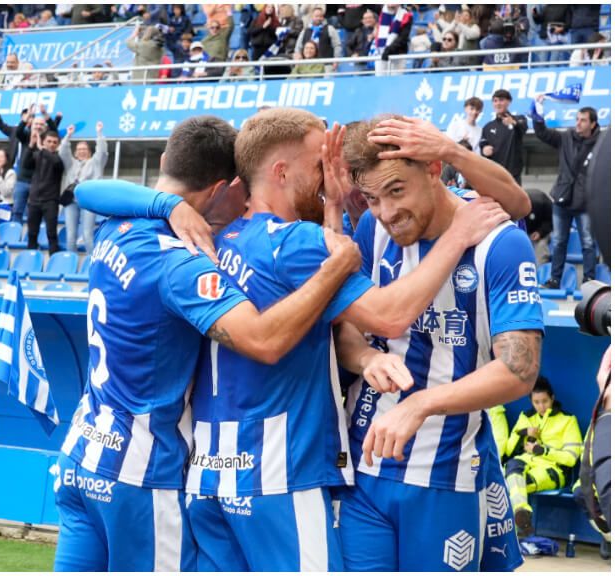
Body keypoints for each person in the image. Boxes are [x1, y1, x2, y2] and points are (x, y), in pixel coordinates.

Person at [77, 109, 522, 572]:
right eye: (319, 165)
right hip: (280, 478)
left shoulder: (207, 237)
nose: (330, 176)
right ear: (282, 172)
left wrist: (328, 209)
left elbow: (89, 192)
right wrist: (459, 235)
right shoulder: (299, 244)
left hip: (207, 480)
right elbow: (388, 316)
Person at [55, 115, 366, 572]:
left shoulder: (115, 224)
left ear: (164, 161)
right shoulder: (181, 264)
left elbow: (84, 190)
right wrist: (336, 269)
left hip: (81, 453)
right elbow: (263, 340)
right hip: (141, 472)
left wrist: (164, 203)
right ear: (227, 187)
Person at [337, 115, 543, 571]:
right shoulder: (371, 230)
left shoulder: (498, 243)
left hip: (444, 473)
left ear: (433, 170)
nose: (387, 212)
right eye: (372, 198)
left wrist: (421, 404)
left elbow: (519, 369)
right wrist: (367, 355)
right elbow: (348, 331)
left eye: (396, 191)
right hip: (360, 472)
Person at [503, 377, 584, 536]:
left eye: (545, 401)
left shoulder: (568, 420)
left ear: (552, 398)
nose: (541, 406)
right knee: (512, 466)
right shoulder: (526, 417)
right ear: (531, 401)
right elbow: (509, 449)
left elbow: (571, 458)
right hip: (525, 463)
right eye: (536, 402)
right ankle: (522, 512)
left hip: (553, 470)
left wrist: (544, 451)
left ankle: (522, 518)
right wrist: (523, 432)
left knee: (514, 484)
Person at [532, 100, 600, 287]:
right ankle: (555, 279)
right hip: (561, 200)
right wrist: (538, 112)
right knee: (559, 242)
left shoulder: (602, 144)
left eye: (583, 120)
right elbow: (542, 133)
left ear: (592, 124)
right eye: (577, 119)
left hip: (585, 203)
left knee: (588, 243)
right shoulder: (566, 137)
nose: (578, 123)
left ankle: (589, 280)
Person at [59, 122, 107, 254]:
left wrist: (99, 133)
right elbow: (63, 151)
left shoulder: (95, 163)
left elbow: (102, 151)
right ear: (75, 152)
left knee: (87, 234)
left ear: (89, 152)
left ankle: (92, 262)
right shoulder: (71, 164)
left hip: (88, 200)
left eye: (84, 149)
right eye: (79, 149)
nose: (81, 151)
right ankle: (70, 263)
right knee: (70, 235)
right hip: (71, 201)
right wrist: (68, 135)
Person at [479, 89, 527, 184]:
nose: (498, 104)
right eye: (495, 101)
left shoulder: (519, 119)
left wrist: (513, 122)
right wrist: (484, 150)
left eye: (501, 100)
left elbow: (523, 127)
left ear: (508, 102)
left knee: (514, 199)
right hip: (494, 175)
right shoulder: (488, 127)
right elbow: (483, 145)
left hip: (513, 175)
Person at [370, 4, 412, 77]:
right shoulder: (382, 11)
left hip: (397, 55)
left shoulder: (406, 15)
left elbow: (403, 38)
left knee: (396, 82)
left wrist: (389, 50)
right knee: (380, 81)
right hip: (381, 53)